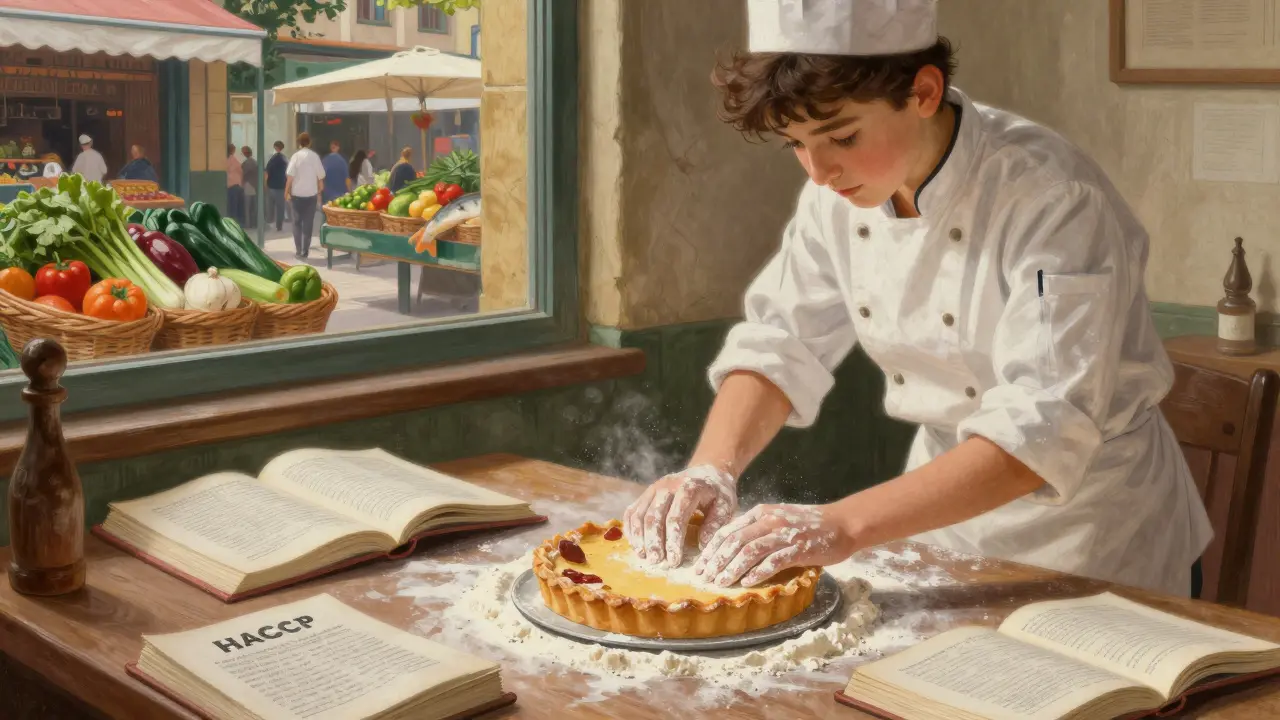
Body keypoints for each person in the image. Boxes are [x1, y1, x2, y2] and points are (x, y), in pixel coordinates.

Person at [623, 0, 1212, 599]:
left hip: (1093, 538)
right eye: (795, 145)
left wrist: (843, 524)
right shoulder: (837, 195)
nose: (819, 172)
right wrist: (711, 467)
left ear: (924, 91)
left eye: (842, 136)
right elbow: (782, 341)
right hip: (937, 525)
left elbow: (1042, 427)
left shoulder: (1053, 197)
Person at [285, 132, 325, 259]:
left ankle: (298, 250)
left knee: (296, 223)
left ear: (299, 143)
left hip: (297, 195)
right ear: (310, 142)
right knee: (308, 223)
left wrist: (286, 192)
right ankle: (305, 250)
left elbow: (290, 177)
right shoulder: (315, 157)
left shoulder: (295, 157)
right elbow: (321, 176)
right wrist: (319, 189)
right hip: (311, 195)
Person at [265, 140, 289, 232]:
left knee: (270, 206)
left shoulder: (272, 159)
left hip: (271, 186)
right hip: (281, 187)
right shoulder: (285, 159)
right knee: (280, 207)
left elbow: (266, 173)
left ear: (275, 147)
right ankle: (279, 226)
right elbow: (288, 174)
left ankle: (270, 223)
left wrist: (265, 184)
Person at [322, 140, 348, 204]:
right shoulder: (342, 161)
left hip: (327, 194)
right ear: (338, 148)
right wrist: (349, 192)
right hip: (340, 194)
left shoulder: (325, 160)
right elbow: (347, 179)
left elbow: (321, 177)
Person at [226, 144, 244, 225]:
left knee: (230, 205)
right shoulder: (233, 160)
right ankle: (234, 223)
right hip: (235, 185)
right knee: (235, 206)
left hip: (228, 185)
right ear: (233, 150)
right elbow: (241, 171)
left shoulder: (225, 159)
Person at [241, 146, 259, 230]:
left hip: (248, 185)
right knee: (254, 206)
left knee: (247, 206)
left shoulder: (246, 163)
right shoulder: (255, 162)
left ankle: (248, 224)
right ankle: (255, 223)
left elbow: (243, 174)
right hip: (255, 186)